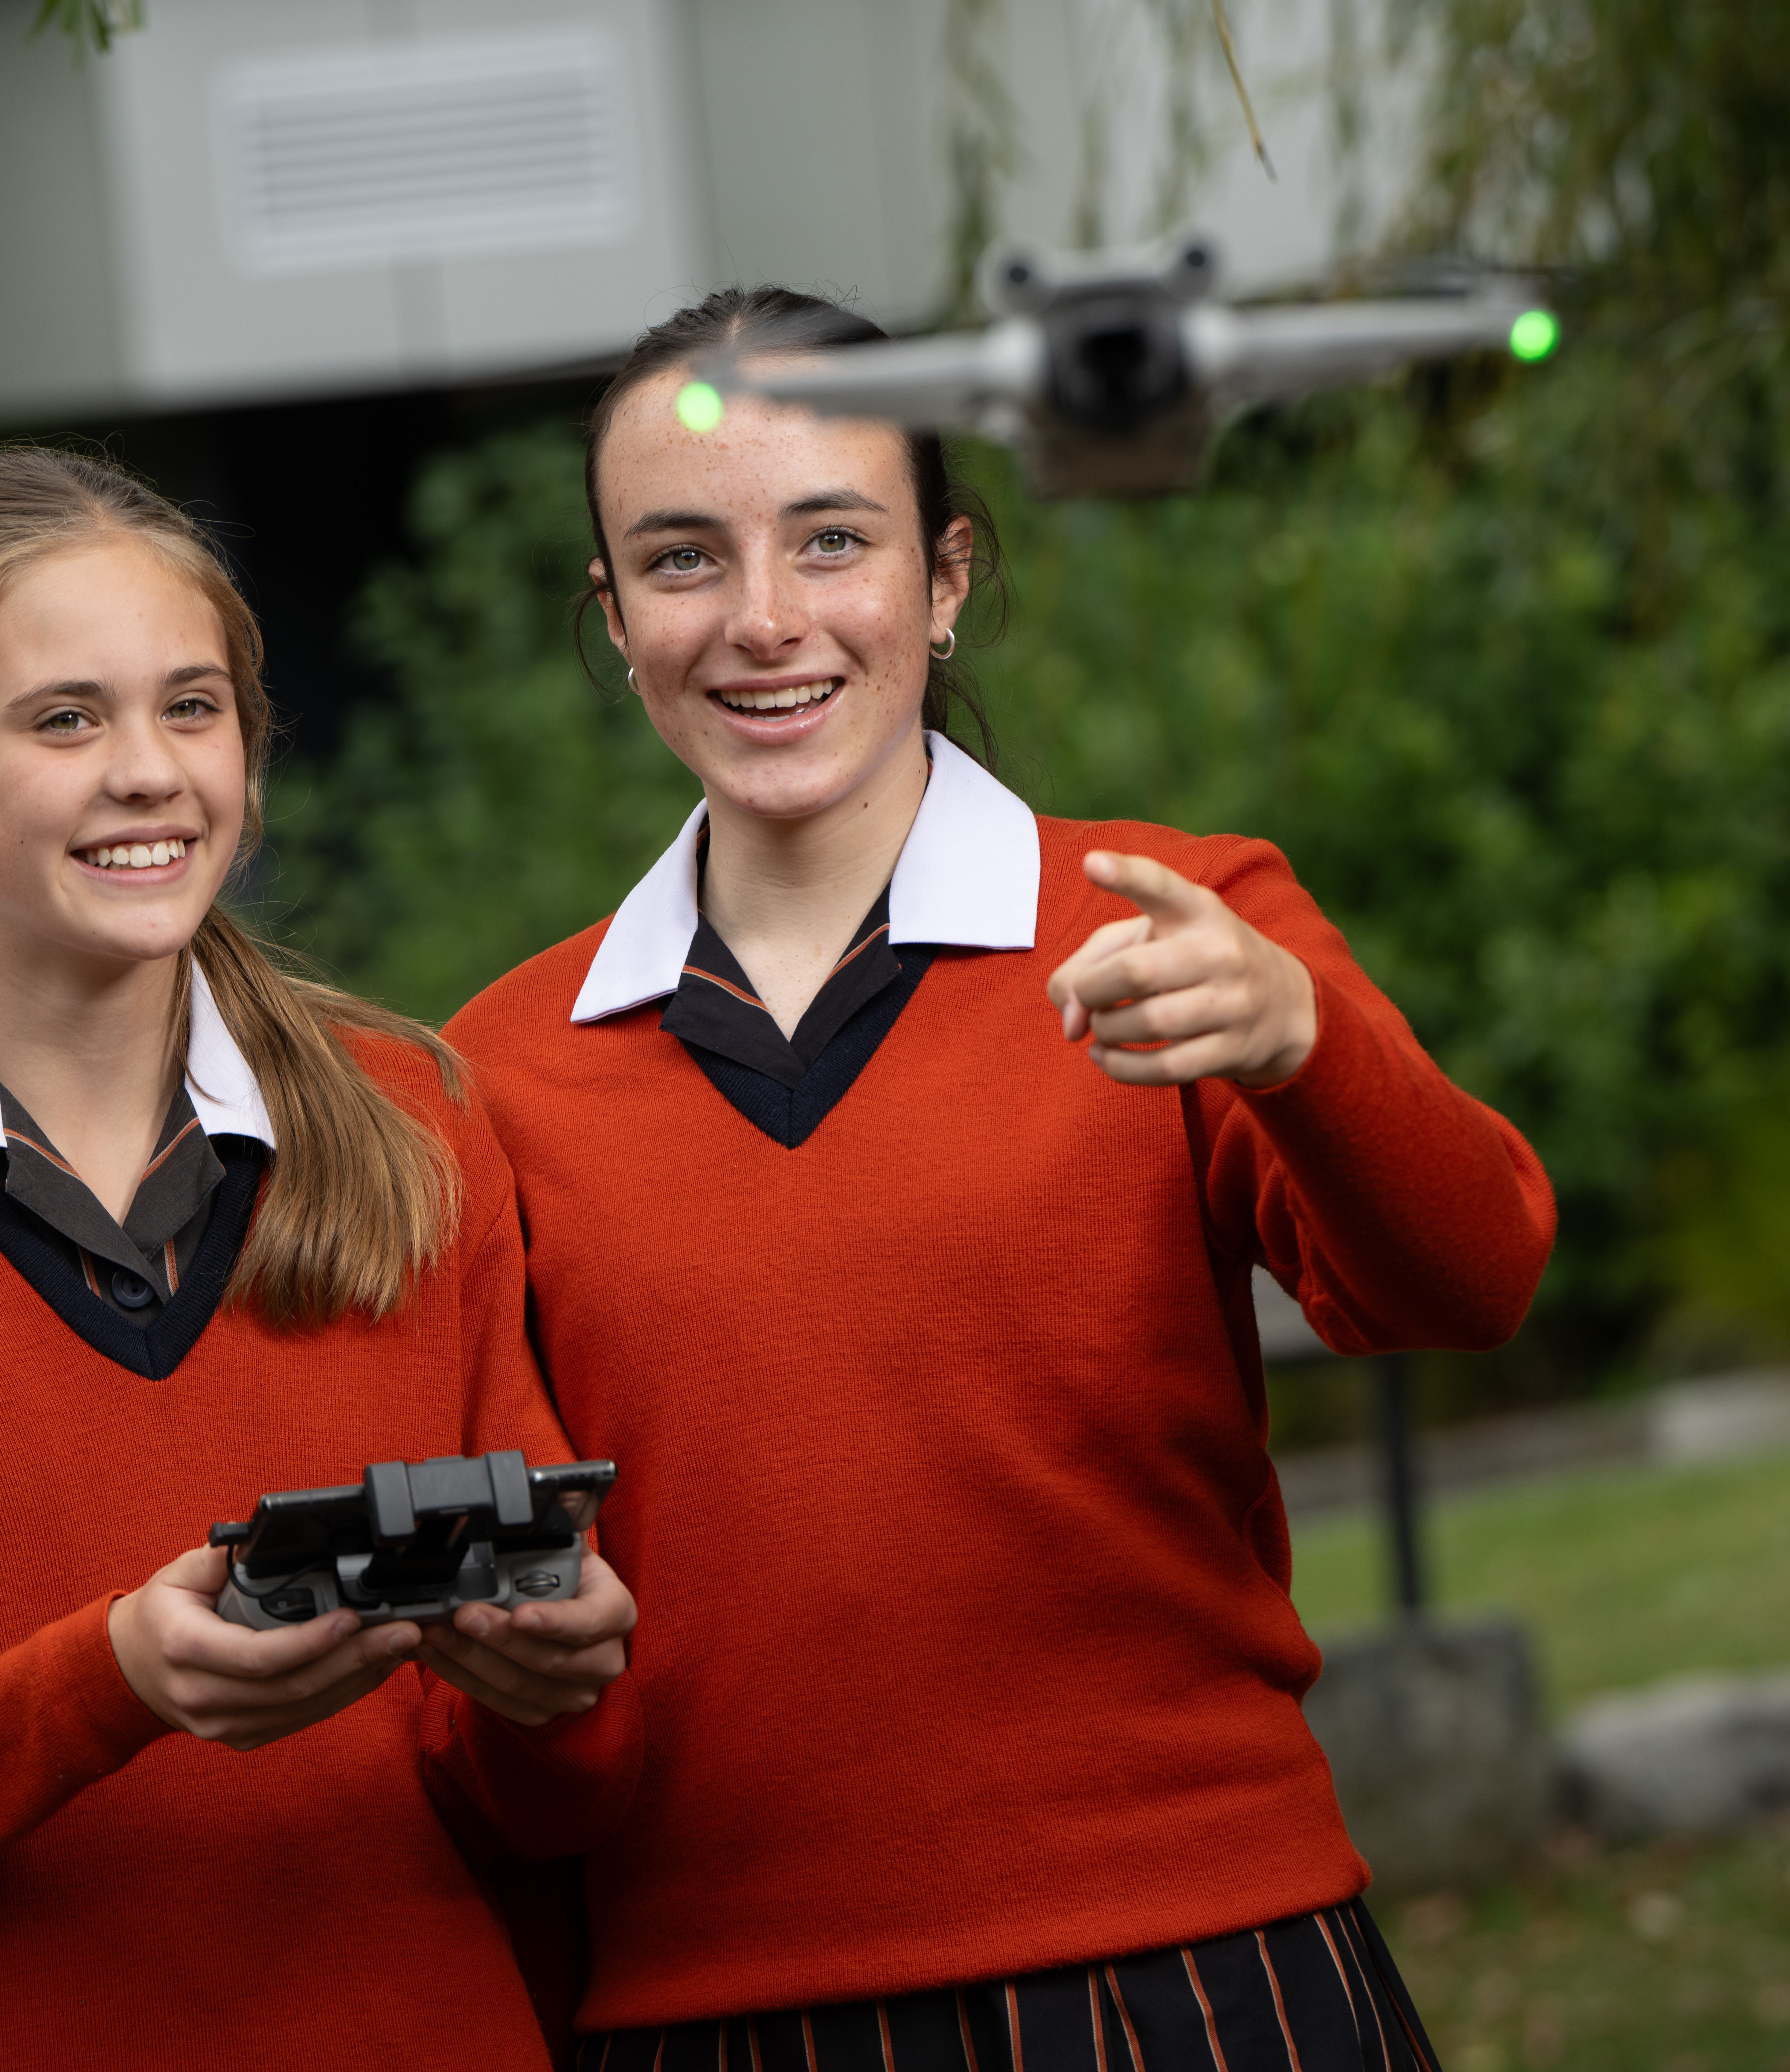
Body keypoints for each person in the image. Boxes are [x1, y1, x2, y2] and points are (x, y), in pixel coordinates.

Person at [425, 290, 1557, 2070]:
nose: (766, 620)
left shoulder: (1178, 923)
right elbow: (514, 1696)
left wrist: (1304, 1046)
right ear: (614, 617)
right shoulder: (489, 1073)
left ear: (947, 576)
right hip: (713, 2019)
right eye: (682, 559)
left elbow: (1473, 1274)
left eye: (833, 539)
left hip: (1203, 1982)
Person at [0, 447, 632, 2070]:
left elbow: (550, 1792)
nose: (148, 770)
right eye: (65, 718)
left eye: (193, 707)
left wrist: (558, 1685)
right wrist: (103, 1686)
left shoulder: (416, 1122)